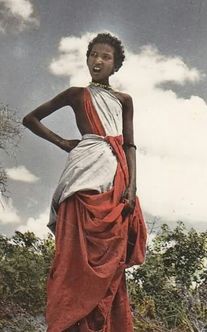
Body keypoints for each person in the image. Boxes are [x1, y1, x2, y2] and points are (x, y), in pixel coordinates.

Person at [23, 32, 147, 332]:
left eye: (106, 57)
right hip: (81, 175)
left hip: (115, 178)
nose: (98, 60)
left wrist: (131, 187)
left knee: (110, 257)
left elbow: (129, 144)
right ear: (88, 58)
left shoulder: (124, 100)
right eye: (94, 54)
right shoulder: (76, 94)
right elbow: (31, 119)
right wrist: (63, 142)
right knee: (74, 258)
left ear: (115, 66)